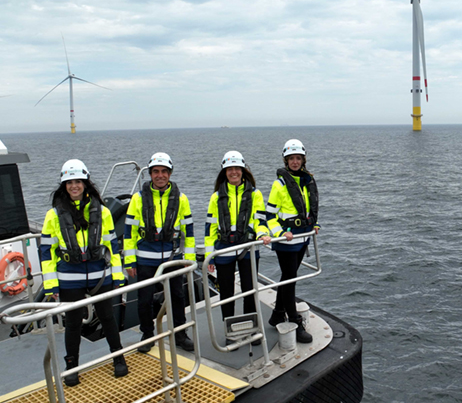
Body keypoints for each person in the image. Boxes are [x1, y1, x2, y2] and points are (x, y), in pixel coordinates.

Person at [40, 159, 128, 386]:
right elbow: (47, 253)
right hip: (70, 278)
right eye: (70, 182)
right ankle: (72, 366)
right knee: (73, 323)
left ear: (86, 183)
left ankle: (118, 357)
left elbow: (112, 248)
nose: (74, 186)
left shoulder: (104, 212)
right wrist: (51, 285)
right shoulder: (53, 216)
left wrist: (117, 276)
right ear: (64, 186)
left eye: (78, 181)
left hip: (100, 275)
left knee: (108, 317)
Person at [123, 152, 195, 352]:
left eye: (164, 171)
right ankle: (147, 335)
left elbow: (188, 233)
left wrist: (188, 260)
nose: (160, 175)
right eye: (156, 172)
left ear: (170, 174)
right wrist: (129, 262)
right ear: (150, 174)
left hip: (173, 258)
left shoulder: (182, 199)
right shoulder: (137, 199)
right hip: (145, 258)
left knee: (177, 297)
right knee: (144, 299)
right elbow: (129, 233)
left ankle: (180, 334)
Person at [204, 151, 271, 329]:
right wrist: (209, 255)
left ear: (243, 170)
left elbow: (259, 220)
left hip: (248, 249)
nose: (234, 172)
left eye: (237, 168)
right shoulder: (216, 197)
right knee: (226, 293)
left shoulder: (255, 194)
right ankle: (230, 329)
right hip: (224, 250)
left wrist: (262, 234)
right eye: (229, 169)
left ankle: (251, 327)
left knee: (250, 291)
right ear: (224, 172)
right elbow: (210, 228)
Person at [264, 139, 320, 344]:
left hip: (303, 237)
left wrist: (315, 224)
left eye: (298, 158)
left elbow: (308, 208)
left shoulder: (306, 181)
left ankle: (277, 314)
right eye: (291, 159)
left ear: (303, 160)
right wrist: (280, 232)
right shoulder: (279, 185)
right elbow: (269, 216)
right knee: (290, 280)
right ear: (285, 161)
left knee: (288, 279)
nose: (295, 162)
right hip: (287, 241)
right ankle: (294, 323)